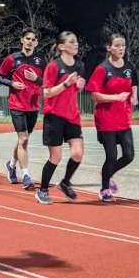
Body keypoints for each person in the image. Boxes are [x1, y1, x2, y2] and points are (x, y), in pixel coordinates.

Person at [86, 33, 138, 201]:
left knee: (129, 155)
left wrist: (134, 96)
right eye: (117, 45)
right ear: (109, 48)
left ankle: (108, 171)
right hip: (106, 118)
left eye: (123, 45)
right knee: (111, 156)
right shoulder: (103, 69)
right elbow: (94, 95)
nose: (121, 48)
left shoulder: (129, 67)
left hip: (124, 118)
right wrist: (115, 98)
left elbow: (134, 83)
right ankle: (104, 189)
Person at [35, 31, 85, 205]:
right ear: (62, 46)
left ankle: (65, 182)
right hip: (54, 116)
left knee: (77, 154)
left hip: (72, 116)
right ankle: (42, 190)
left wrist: (79, 86)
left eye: (76, 41)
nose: (76, 44)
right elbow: (47, 93)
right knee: (55, 157)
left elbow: (74, 89)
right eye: (72, 41)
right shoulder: (53, 66)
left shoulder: (79, 65)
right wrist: (66, 83)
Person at [0, 28, 47, 189]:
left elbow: (48, 81)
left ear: (37, 43)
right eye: (28, 38)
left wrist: (36, 79)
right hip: (16, 104)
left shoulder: (41, 60)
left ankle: (11, 165)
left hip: (33, 105)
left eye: (33, 39)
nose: (30, 41)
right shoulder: (12, 59)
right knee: (23, 139)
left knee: (22, 139)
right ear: (22, 40)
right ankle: (26, 176)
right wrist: (11, 83)